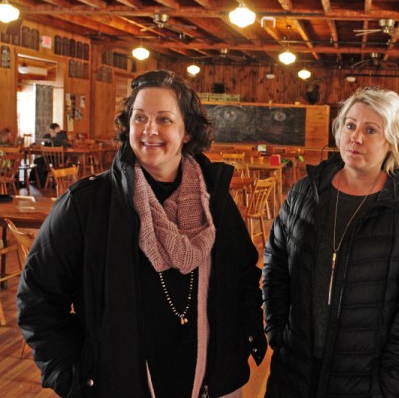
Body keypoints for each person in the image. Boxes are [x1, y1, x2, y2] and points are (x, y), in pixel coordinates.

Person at [17, 70, 267, 397]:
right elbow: (39, 299)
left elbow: (243, 277)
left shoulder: (215, 203)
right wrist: (74, 377)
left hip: (214, 384)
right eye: (140, 118)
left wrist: (239, 344)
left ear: (187, 131)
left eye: (164, 119)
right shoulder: (86, 205)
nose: (150, 130)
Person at [263, 86, 399, 396]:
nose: (356, 137)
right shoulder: (305, 193)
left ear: (392, 140)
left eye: (371, 130)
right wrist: (279, 334)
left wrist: (391, 383)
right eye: (350, 125)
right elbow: (275, 266)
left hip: (368, 380)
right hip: (295, 371)